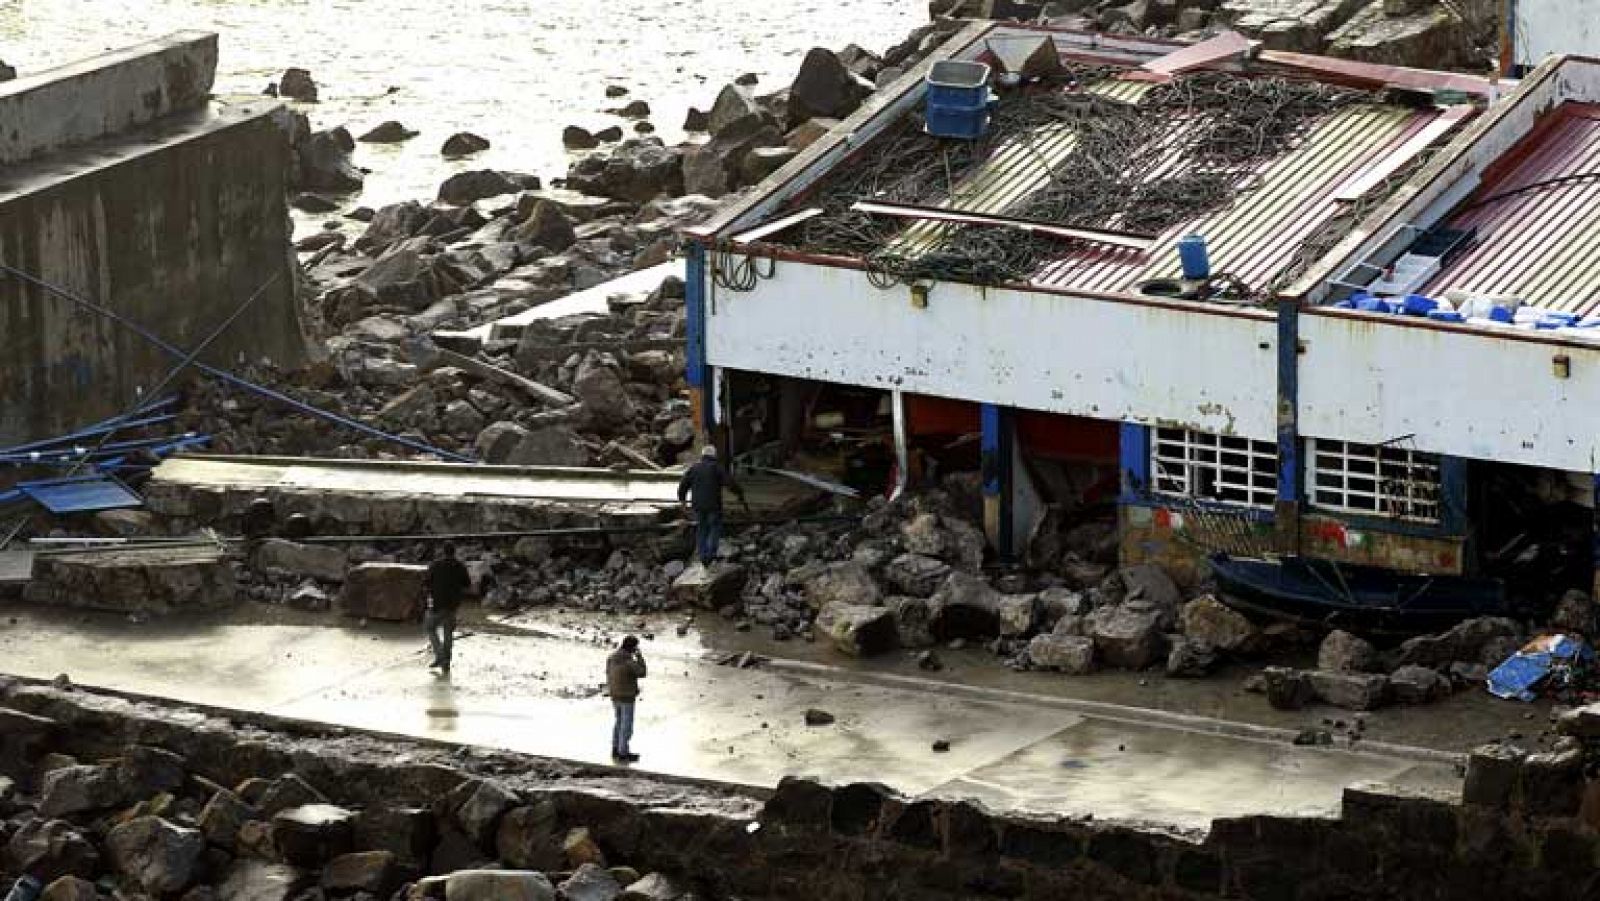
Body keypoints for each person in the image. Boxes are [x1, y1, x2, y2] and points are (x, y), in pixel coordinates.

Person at [676, 445, 747, 567]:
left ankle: (703, 555)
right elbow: (730, 483)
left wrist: (682, 501)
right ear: (714, 456)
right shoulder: (717, 468)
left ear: (702, 456)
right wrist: (739, 493)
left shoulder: (694, 468)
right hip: (714, 505)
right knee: (714, 527)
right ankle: (710, 554)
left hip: (697, 505)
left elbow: (683, 485)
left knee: (702, 528)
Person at [425, 542, 471, 675]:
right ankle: (446, 660)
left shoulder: (435, 565)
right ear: (454, 552)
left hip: (438, 604)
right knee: (448, 633)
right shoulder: (460, 566)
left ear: (443, 551)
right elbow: (467, 584)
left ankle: (440, 656)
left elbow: (426, 582)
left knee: (430, 627)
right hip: (453, 605)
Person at [606, 635, 647, 762]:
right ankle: (623, 753)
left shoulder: (611, 658)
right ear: (633, 647)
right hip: (627, 696)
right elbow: (642, 672)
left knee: (618, 722)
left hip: (614, 694)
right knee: (626, 726)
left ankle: (615, 748)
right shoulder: (629, 661)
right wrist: (639, 657)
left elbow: (607, 672)